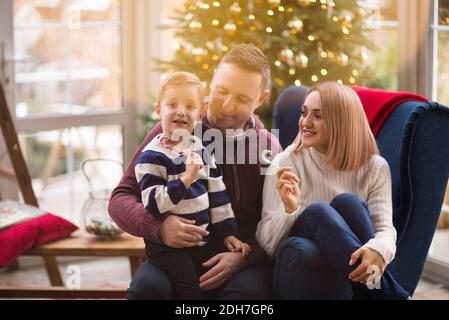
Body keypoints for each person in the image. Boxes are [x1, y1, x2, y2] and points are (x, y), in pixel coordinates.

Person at [108, 44, 282, 299]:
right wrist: (159, 227)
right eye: (222, 91)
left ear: (261, 99)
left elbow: (281, 219)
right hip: (175, 254)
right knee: (148, 290)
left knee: (247, 297)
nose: (227, 106)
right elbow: (120, 198)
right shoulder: (173, 130)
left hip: (238, 258)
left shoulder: (267, 146)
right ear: (212, 79)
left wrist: (246, 257)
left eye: (243, 99)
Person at [256, 82, 410, 300]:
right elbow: (269, 245)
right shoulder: (286, 161)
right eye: (304, 112)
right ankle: (392, 296)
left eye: (318, 115)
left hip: (344, 258)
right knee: (319, 210)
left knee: (348, 202)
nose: (305, 122)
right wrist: (291, 209)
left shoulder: (375, 167)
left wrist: (378, 249)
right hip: (299, 239)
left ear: (341, 122)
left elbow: (384, 229)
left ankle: (376, 294)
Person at [134, 71, 251, 299]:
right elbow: (154, 203)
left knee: (210, 288)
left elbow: (217, 192)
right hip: (168, 248)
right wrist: (186, 179)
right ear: (158, 110)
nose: (181, 111)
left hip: (202, 240)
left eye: (190, 105)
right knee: (190, 293)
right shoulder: (151, 157)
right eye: (172, 104)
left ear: (200, 113)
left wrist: (228, 233)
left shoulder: (199, 147)